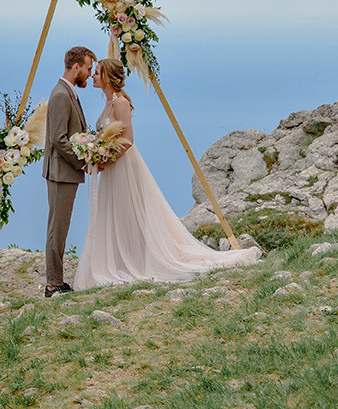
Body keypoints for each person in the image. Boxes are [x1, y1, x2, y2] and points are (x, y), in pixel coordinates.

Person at [74, 58, 261, 290]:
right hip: (111, 168)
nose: (93, 76)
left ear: (107, 77)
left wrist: (105, 157)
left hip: (123, 166)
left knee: (130, 212)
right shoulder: (108, 101)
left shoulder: (120, 102)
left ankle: (138, 261)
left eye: (97, 72)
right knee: (117, 213)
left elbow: (129, 140)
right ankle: (123, 259)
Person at [42, 46, 96, 298]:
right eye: (87, 68)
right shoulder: (61, 95)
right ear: (76, 67)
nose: (89, 73)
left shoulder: (69, 92)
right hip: (61, 172)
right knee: (58, 227)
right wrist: (81, 162)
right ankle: (53, 284)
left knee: (60, 226)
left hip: (65, 172)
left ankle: (57, 280)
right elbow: (58, 138)